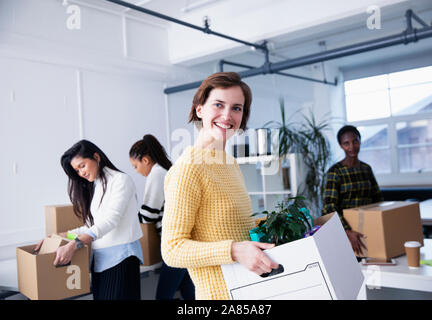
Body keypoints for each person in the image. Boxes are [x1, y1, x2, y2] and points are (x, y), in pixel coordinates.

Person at [161, 72, 279, 300]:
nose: (227, 115)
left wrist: (273, 225)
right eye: (218, 104)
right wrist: (234, 250)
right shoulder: (188, 169)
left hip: (250, 291)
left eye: (236, 108)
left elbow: (231, 225)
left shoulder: (230, 163)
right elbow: (172, 250)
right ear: (199, 110)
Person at [35, 140, 144, 300]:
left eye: (82, 166)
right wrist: (59, 236)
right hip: (100, 262)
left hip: (121, 260)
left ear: (96, 157)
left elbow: (110, 221)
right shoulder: (97, 185)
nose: (81, 173)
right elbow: (91, 227)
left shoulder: (121, 180)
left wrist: (74, 245)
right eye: (77, 170)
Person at [129, 134, 195, 300]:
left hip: (175, 242)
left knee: (164, 295)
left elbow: (148, 215)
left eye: (135, 166)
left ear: (145, 160)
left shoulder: (157, 173)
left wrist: (126, 220)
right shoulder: (166, 170)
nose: (137, 171)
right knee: (188, 292)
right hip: (185, 240)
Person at [322, 125, 383, 256]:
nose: (352, 147)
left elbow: (378, 199)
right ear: (340, 145)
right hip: (346, 233)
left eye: (355, 141)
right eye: (346, 143)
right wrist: (347, 231)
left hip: (370, 230)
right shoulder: (335, 172)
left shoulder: (366, 169)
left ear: (360, 141)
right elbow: (329, 208)